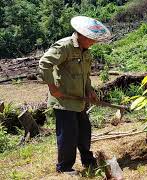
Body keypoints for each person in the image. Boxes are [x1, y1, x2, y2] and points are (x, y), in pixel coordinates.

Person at [38, 16, 111, 174]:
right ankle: (64, 168)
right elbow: (44, 63)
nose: (94, 43)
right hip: (64, 100)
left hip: (79, 100)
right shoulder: (64, 47)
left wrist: (89, 91)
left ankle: (88, 161)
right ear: (81, 35)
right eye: (91, 39)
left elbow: (85, 76)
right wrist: (52, 86)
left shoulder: (86, 53)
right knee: (69, 135)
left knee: (84, 132)